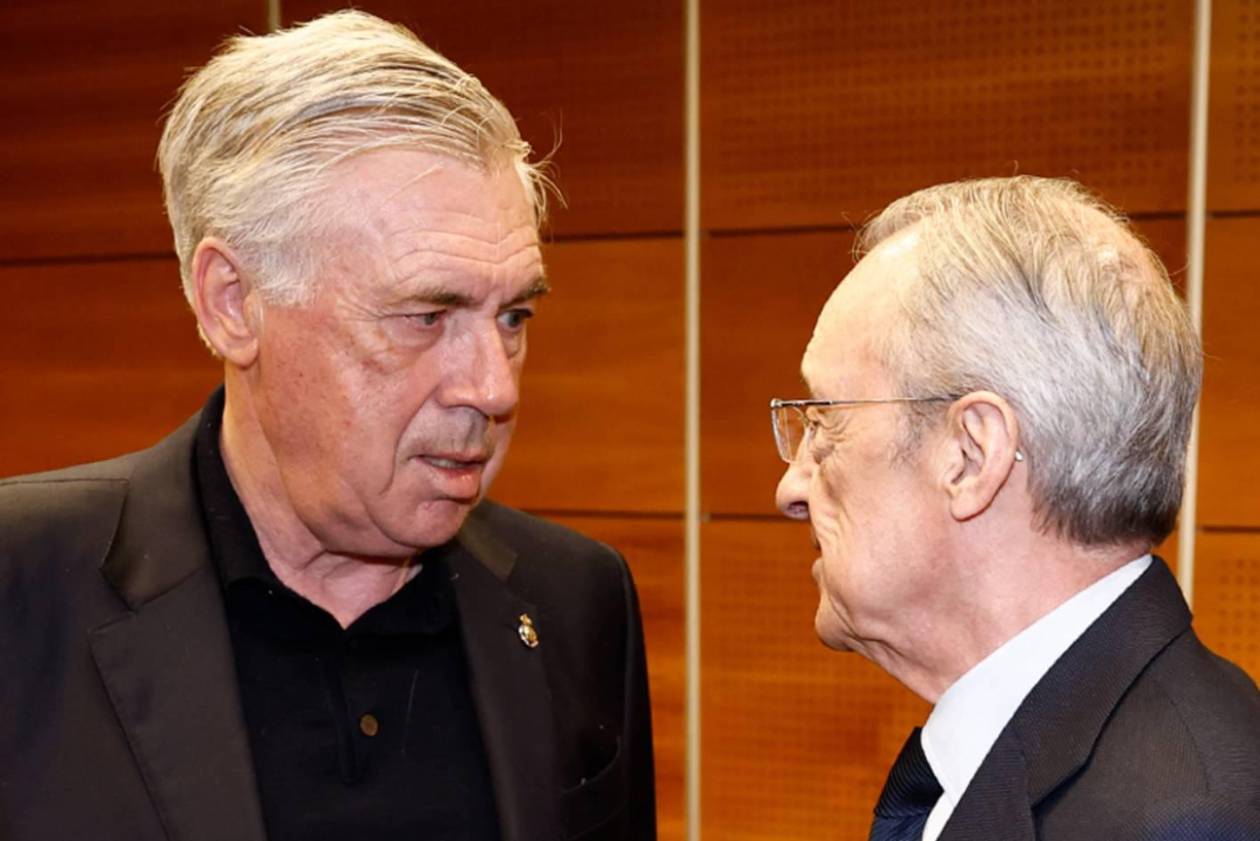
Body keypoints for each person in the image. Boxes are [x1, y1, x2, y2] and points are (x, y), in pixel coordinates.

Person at [0, 12, 654, 841]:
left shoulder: (577, 600)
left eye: (513, 316)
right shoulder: (22, 591)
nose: (493, 387)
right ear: (233, 303)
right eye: (425, 316)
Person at [773, 176, 1259, 840]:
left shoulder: (1183, 820)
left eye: (824, 422)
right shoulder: (1056, 752)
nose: (790, 489)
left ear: (972, 456)